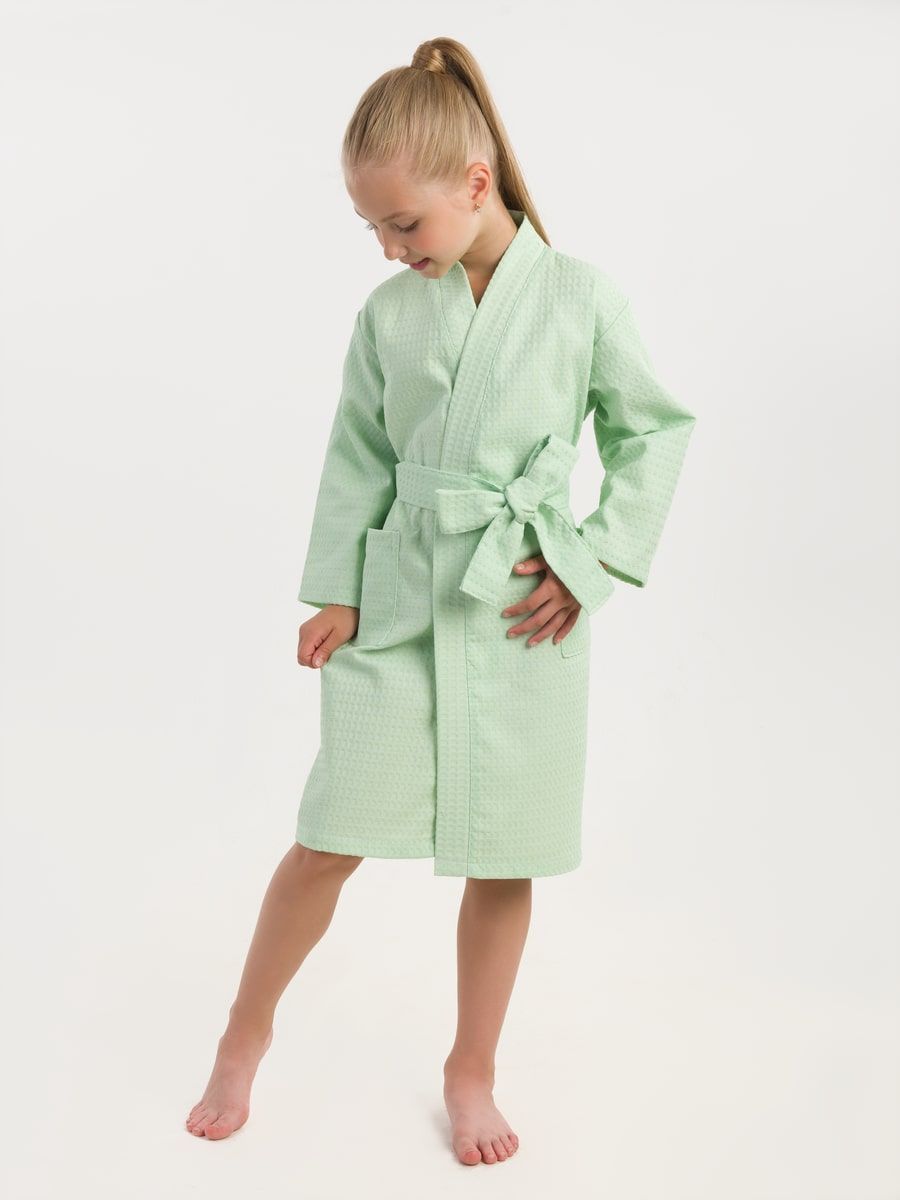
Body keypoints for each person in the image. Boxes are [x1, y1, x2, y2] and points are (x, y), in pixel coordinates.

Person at [185, 36, 696, 1165]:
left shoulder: (581, 298)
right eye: (370, 229)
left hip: (522, 605)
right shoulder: (389, 314)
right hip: (403, 601)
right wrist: (337, 590)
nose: (388, 247)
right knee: (327, 836)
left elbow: (655, 430)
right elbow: (359, 454)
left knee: (506, 852)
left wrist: (591, 563)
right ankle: (244, 1033)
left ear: (474, 183)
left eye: (403, 223)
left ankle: (472, 1069)